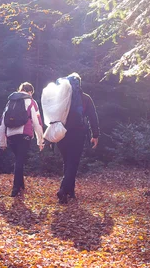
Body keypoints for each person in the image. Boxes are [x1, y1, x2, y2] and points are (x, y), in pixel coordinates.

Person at [56, 73, 100, 204]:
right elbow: (93, 117)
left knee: (67, 162)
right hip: (78, 134)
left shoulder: (61, 97)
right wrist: (95, 135)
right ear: (79, 84)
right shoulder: (85, 98)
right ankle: (63, 189)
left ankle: (70, 192)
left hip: (62, 134)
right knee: (73, 163)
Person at [0, 82, 44, 197]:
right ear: (30, 92)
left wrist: (2, 142)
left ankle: (21, 186)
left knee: (19, 160)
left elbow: (2, 123)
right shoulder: (31, 101)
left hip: (11, 135)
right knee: (19, 161)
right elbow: (37, 122)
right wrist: (40, 140)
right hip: (24, 135)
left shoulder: (10, 101)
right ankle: (15, 188)